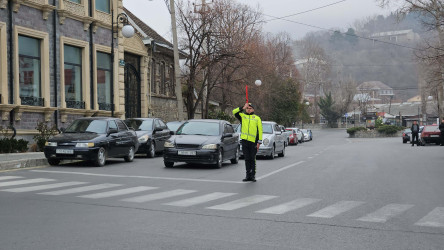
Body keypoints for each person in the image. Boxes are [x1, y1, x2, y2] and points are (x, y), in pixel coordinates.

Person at [232, 103, 263, 182]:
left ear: (253, 109)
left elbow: (260, 130)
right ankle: (247, 175)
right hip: (245, 141)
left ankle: (252, 175)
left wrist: (259, 142)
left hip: (253, 142)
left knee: (252, 159)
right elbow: (234, 112)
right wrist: (242, 107)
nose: (248, 109)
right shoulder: (243, 116)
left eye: (250, 108)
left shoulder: (257, 118)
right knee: (247, 159)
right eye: (247, 108)